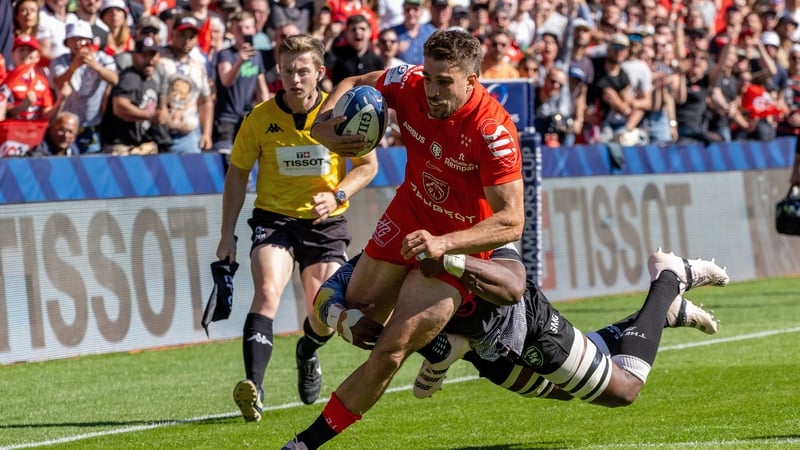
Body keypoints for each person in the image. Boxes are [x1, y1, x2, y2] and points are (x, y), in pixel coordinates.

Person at [283, 28, 524, 449]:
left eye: (444, 82)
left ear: (472, 81)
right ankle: (439, 347)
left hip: (454, 243)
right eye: (429, 77)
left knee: (390, 351)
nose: (431, 90)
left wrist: (445, 244)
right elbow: (353, 83)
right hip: (407, 215)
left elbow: (511, 221)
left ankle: (305, 444)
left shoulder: (493, 131)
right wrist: (323, 126)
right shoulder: (408, 82)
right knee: (361, 318)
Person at [310, 245, 727, 410]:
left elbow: (448, 339)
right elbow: (327, 294)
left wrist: (434, 366)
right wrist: (341, 317)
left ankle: (669, 278)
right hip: (485, 352)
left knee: (622, 388)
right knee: (568, 389)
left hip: (513, 327)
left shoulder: (420, 240)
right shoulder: (374, 260)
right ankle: (664, 313)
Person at [215, 34, 378, 422]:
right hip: (275, 220)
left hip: (326, 224)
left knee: (323, 309)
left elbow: (367, 166)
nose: (294, 78)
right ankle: (254, 388)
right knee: (268, 291)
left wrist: (338, 195)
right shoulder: (260, 118)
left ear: (320, 73)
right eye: (287, 71)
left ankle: (306, 352)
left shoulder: (340, 113)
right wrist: (227, 234)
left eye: (303, 70)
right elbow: (237, 175)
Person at [51, 20, 119, 153]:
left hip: (90, 127)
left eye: (83, 40)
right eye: (74, 40)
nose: (78, 44)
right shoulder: (60, 61)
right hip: (64, 129)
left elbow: (114, 79)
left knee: (91, 166)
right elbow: (58, 84)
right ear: (67, 43)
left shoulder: (102, 58)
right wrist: (73, 67)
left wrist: (96, 66)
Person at [212, 9, 268, 154]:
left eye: (247, 27)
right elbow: (226, 81)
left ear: (254, 29)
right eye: (239, 28)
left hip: (247, 117)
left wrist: (267, 110)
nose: (243, 32)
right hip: (226, 118)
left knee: (246, 157)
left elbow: (261, 86)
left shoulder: (257, 55)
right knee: (226, 158)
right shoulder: (225, 54)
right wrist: (239, 61)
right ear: (232, 31)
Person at [157, 14, 214, 153]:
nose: (187, 41)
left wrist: (206, 133)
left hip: (189, 134)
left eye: (191, 37)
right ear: (173, 33)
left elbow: (205, 101)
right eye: (183, 35)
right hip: (159, 131)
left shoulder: (198, 66)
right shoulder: (158, 58)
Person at [101, 36, 167, 155]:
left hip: (140, 146)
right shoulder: (130, 77)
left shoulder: (151, 80)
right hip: (122, 146)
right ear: (134, 56)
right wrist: (150, 115)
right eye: (144, 55)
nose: (150, 60)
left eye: (152, 55)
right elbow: (120, 107)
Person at [324, 14, 385, 88]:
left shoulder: (377, 61)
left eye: (362, 29)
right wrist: (329, 37)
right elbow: (323, 64)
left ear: (370, 32)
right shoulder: (336, 54)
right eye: (353, 29)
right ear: (346, 33)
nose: (357, 32)